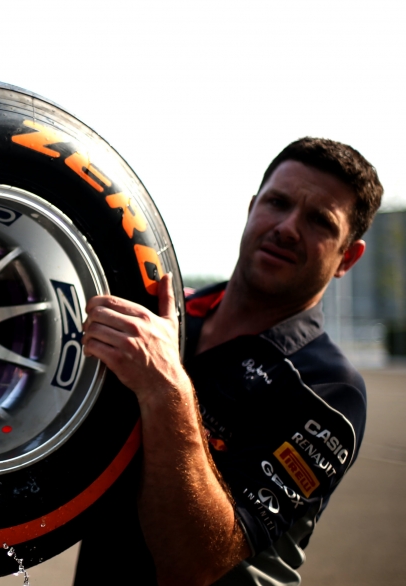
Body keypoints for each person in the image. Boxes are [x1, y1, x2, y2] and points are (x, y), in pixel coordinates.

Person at [74, 137, 383, 585]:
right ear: (252, 207)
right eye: (277, 203)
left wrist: (166, 387)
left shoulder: (328, 390)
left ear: (347, 258)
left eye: (319, 220)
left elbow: (193, 566)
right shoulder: (167, 316)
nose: (288, 228)